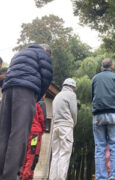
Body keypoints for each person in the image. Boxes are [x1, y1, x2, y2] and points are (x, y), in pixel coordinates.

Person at [0, 44, 52, 180]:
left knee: (4, 133)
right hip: (25, 90)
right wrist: (37, 96)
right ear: (47, 51)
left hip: (6, 90)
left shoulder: (19, 53)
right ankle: (10, 176)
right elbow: (46, 78)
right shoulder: (43, 54)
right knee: (19, 134)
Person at [92, 58, 115, 180]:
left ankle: (101, 177)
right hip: (113, 114)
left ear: (101, 67)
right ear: (112, 67)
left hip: (98, 115)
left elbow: (92, 96)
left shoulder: (95, 78)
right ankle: (114, 177)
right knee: (114, 146)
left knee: (99, 147)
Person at [49, 78, 78, 180]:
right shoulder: (71, 95)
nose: (74, 89)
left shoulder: (57, 96)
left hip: (56, 127)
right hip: (66, 127)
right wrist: (73, 123)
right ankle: (61, 178)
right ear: (71, 86)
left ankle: (52, 178)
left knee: (55, 154)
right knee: (64, 154)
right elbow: (74, 112)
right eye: (74, 88)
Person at [20, 98, 47, 180]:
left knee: (25, 155)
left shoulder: (24, 103)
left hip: (25, 132)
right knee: (32, 154)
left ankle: (22, 175)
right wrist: (42, 130)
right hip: (35, 134)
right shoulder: (38, 105)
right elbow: (42, 119)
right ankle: (26, 176)